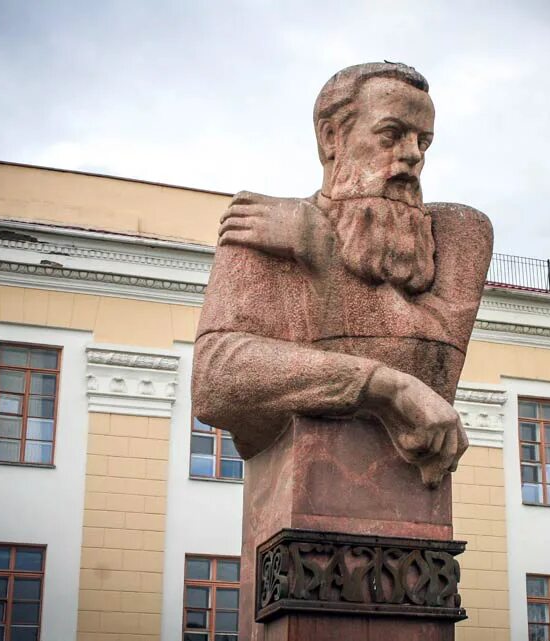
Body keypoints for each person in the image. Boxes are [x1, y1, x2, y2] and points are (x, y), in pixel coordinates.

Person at [192, 62, 493, 488]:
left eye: (423, 140)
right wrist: (387, 388)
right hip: (298, 497)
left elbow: (430, 372)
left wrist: (323, 255)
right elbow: (217, 379)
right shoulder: (259, 224)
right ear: (332, 137)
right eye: (391, 134)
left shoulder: (456, 232)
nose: (413, 154)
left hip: (406, 505)